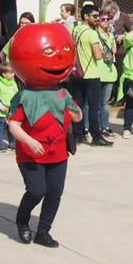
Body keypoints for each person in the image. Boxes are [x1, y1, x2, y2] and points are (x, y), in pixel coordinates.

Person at [9, 80, 83, 248]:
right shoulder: (28, 96)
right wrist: (30, 141)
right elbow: (14, 125)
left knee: (54, 192)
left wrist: (68, 100)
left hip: (57, 153)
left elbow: (77, 117)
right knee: (36, 191)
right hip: (31, 154)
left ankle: (43, 232)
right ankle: (22, 221)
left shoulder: (61, 93)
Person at [71, 4, 112, 146]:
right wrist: (102, 51)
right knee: (94, 107)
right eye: (94, 16)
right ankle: (96, 136)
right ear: (86, 16)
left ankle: (78, 134)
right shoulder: (92, 33)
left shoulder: (75, 30)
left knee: (78, 106)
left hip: (76, 74)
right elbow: (98, 56)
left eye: (98, 16)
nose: (97, 19)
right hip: (91, 75)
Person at [96, 7, 118, 138]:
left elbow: (114, 50)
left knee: (105, 103)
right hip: (98, 72)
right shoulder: (95, 34)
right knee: (96, 102)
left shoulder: (110, 35)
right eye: (102, 19)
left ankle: (105, 126)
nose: (106, 21)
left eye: (108, 19)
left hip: (109, 72)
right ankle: (95, 126)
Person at [0, 62, 18, 152]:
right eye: (11, 72)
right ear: (4, 74)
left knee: (11, 129)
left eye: (13, 72)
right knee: (1, 130)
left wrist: (16, 106)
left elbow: (16, 96)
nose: (13, 74)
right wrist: (2, 107)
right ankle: (0, 146)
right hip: (2, 113)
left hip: (12, 112)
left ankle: (12, 145)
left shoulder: (13, 84)